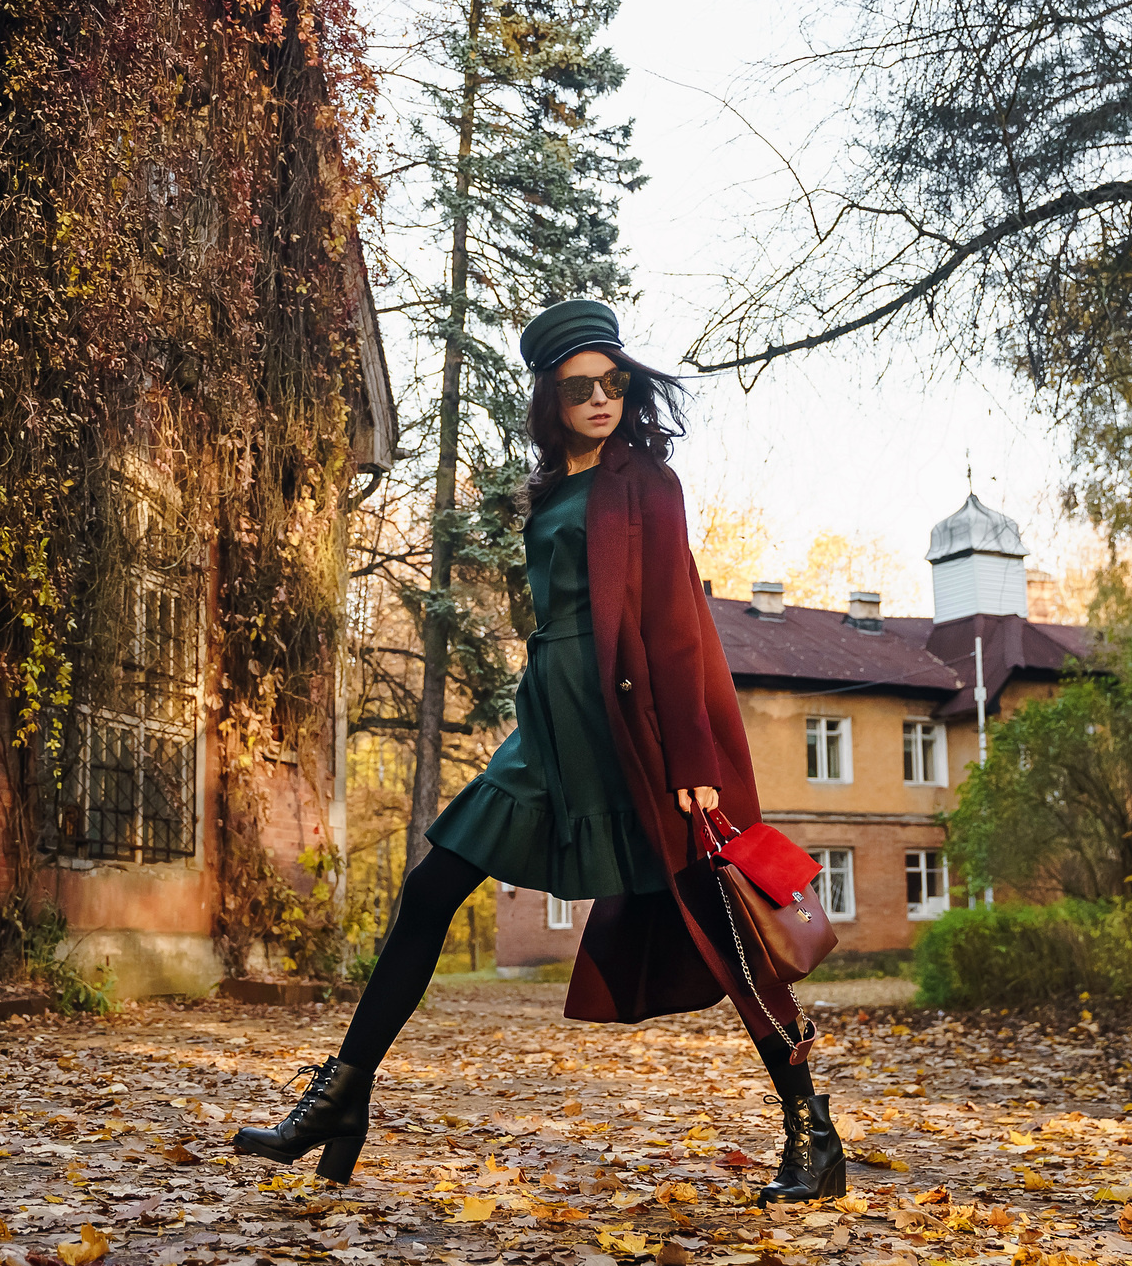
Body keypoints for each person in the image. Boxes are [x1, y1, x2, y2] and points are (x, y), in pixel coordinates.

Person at [234, 298, 846, 1204]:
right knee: (431, 884)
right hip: (547, 726)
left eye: (613, 380)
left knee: (722, 925)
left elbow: (676, 625)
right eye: (579, 387)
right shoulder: (549, 488)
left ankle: (813, 1134)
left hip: (629, 728)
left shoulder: (649, 483)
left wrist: (694, 767)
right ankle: (342, 1093)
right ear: (550, 399)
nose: (601, 399)